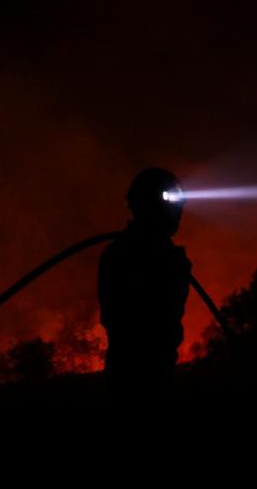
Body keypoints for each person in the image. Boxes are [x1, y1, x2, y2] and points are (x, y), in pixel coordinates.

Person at [97, 167, 191, 402]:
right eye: (172, 201)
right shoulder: (122, 255)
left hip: (157, 377)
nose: (179, 211)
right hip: (132, 382)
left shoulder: (170, 258)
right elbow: (122, 321)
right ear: (149, 205)